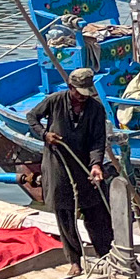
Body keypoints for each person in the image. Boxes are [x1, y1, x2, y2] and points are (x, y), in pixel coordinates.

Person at [32, 67, 114, 264]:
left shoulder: (96, 109)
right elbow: (32, 117)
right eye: (79, 92)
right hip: (57, 165)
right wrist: (44, 134)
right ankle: (74, 260)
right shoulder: (54, 101)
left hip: (84, 166)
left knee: (96, 212)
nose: (83, 97)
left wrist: (96, 165)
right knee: (64, 213)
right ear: (70, 87)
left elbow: (97, 140)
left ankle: (106, 254)